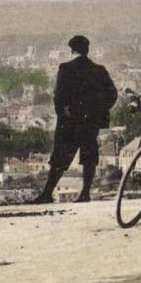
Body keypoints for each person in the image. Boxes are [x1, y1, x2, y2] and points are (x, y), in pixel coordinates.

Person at [34, 35, 117, 204]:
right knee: (89, 158)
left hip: (70, 123)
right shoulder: (99, 70)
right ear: (87, 50)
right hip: (90, 122)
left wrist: (64, 115)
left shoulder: (66, 68)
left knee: (60, 159)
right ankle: (85, 193)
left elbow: (59, 97)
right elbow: (112, 94)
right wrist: (97, 112)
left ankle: (47, 193)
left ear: (72, 50)